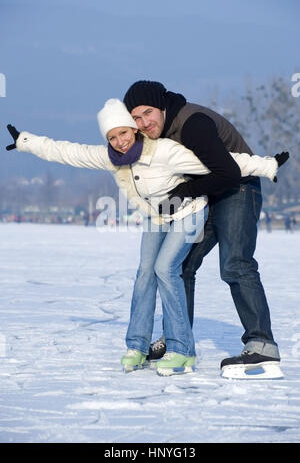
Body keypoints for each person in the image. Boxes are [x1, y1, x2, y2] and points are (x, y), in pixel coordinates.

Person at [6, 99, 287, 378]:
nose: (121, 140)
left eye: (126, 131)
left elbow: (223, 162)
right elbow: (69, 152)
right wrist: (25, 141)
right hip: (163, 214)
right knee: (158, 272)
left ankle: (242, 344)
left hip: (204, 203)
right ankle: (156, 341)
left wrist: (267, 164)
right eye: (113, 136)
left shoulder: (168, 145)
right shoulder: (113, 156)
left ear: (136, 129)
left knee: (204, 266)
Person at [123, 80, 289, 379]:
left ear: (162, 106)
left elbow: (228, 172)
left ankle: (262, 343)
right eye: (135, 118)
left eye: (148, 113)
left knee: (235, 264)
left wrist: (184, 191)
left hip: (237, 189)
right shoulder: (157, 134)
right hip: (205, 196)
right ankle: (179, 341)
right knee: (178, 266)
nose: (143, 123)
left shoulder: (193, 124)